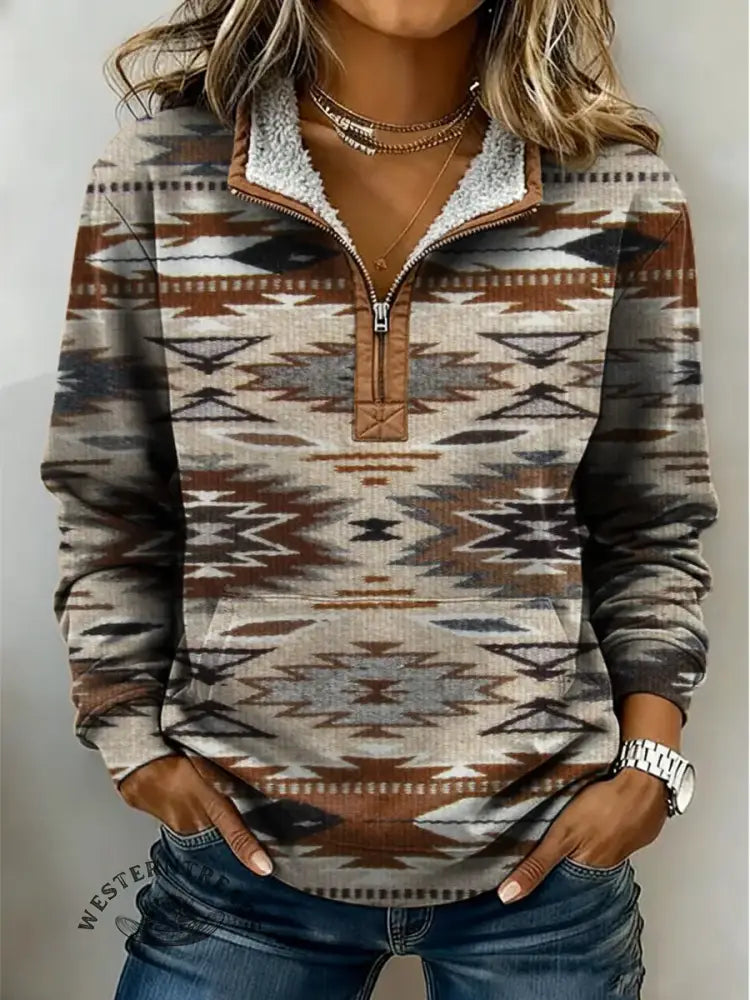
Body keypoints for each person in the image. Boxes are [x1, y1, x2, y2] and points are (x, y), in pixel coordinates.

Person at [39, 0, 720, 997]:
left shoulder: (616, 187)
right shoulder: (162, 173)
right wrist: (131, 741)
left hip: (547, 866)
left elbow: (650, 512)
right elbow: (109, 495)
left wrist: (649, 766)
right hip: (242, 863)